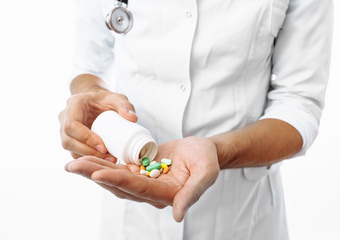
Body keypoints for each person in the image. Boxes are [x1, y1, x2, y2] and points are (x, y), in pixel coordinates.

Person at [58, 0, 333, 239]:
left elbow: (299, 104)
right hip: (131, 218)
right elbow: (89, 68)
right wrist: (92, 100)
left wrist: (217, 151)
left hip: (242, 216)